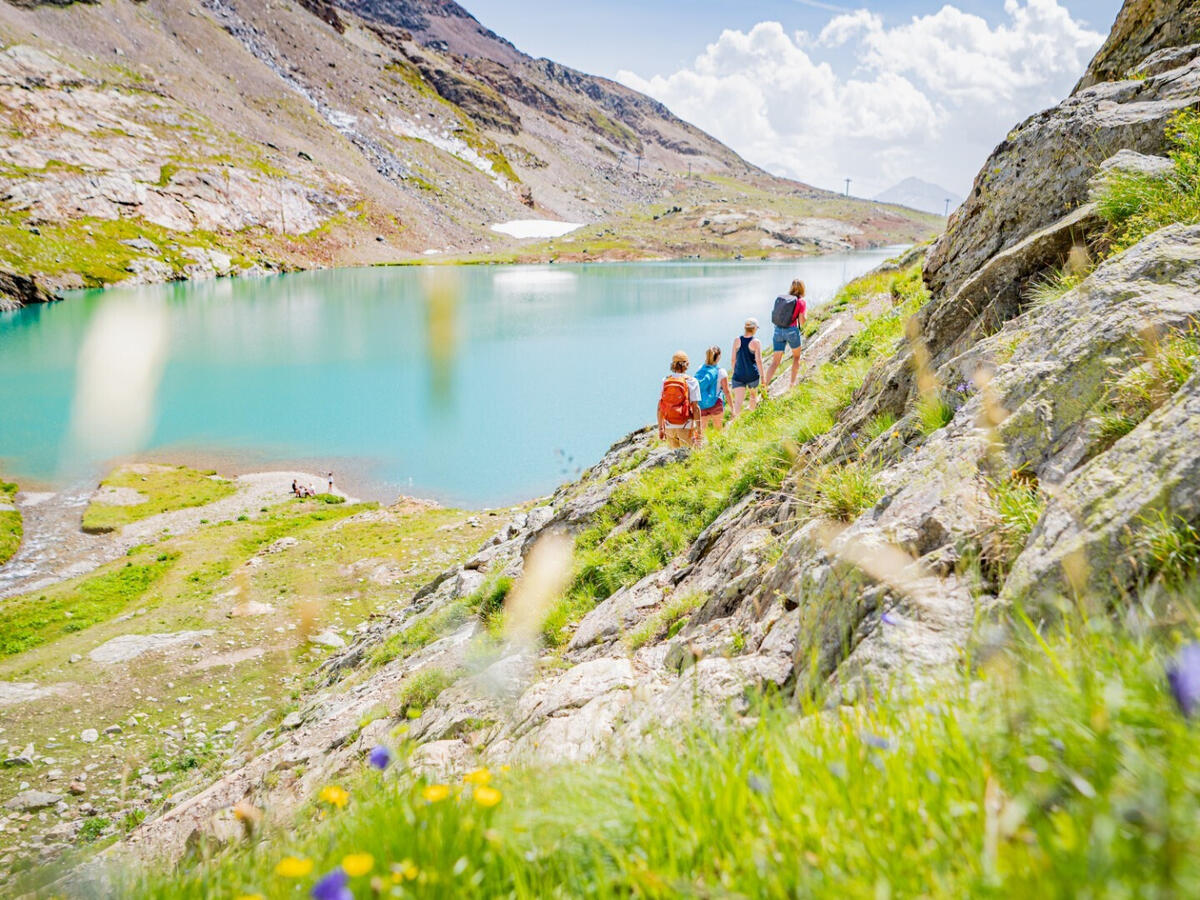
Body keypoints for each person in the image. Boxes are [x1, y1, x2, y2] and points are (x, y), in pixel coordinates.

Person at [765, 279, 808, 389]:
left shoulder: (783, 299)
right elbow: (802, 321)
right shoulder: (801, 301)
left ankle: (763, 387)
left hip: (778, 330)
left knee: (775, 362)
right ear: (803, 288)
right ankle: (792, 385)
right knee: (796, 357)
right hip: (792, 331)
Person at [658, 350, 701, 449]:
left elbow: (660, 406)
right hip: (686, 425)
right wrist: (699, 431)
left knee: (675, 458)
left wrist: (661, 428)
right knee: (688, 458)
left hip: (669, 427)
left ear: (673, 365)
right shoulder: (692, 381)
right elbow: (695, 408)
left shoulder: (665, 380)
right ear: (687, 364)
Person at [695, 345, 733, 441]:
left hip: (701, 404)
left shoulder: (700, 369)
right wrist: (733, 408)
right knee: (718, 429)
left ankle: (700, 451)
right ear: (719, 356)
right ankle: (718, 449)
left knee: (702, 431)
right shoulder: (721, 372)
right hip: (716, 403)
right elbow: (726, 391)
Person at [731, 318, 765, 416]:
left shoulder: (737, 340)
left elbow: (733, 359)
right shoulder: (756, 342)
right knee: (753, 396)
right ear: (754, 329)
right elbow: (759, 361)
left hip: (738, 375)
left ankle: (734, 423)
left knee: (737, 402)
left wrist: (735, 372)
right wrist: (763, 377)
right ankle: (751, 415)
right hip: (752, 375)